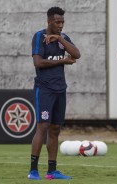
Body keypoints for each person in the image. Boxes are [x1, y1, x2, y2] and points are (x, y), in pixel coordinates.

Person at [28, 7, 81, 180]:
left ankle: (52, 171)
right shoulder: (39, 37)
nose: (60, 25)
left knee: (56, 129)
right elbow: (38, 62)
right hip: (44, 88)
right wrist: (64, 61)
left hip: (60, 88)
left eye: (62, 22)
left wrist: (59, 38)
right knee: (43, 126)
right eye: (57, 22)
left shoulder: (63, 38)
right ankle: (33, 170)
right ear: (49, 21)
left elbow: (76, 54)